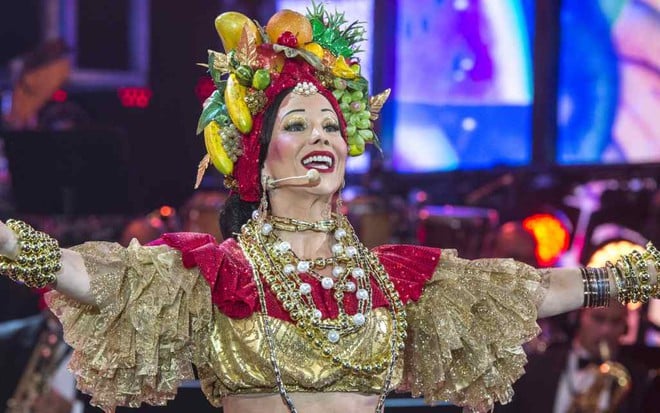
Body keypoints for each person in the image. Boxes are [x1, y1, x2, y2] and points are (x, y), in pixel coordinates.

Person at [0, 5, 658, 413]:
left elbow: (526, 289)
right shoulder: (214, 271)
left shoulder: (392, 276)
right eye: (297, 124)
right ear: (258, 158)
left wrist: (628, 276)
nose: (321, 136)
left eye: (331, 125)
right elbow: (100, 277)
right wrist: (14, 245)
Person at [497, 303, 651, 413]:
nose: (606, 330)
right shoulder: (532, 368)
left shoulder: (639, 380)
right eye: (598, 318)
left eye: (615, 321)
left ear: (625, 327)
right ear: (579, 317)